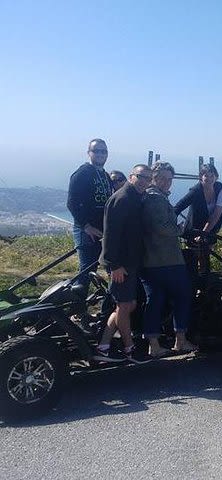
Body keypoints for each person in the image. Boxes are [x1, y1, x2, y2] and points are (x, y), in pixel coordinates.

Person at [94, 165, 153, 363]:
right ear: (131, 177)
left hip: (129, 263)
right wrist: (114, 265)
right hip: (121, 265)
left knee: (127, 305)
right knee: (125, 305)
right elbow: (110, 235)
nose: (144, 181)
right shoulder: (123, 199)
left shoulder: (135, 197)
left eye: (148, 178)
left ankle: (103, 346)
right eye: (140, 177)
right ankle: (129, 349)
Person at [140, 162, 198, 357]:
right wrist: (180, 230)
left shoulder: (150, 196)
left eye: (169, 179)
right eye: (161, 178)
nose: (166, 182)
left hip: (152, 259)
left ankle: (154, 344)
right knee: (182, 296)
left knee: (155, 300)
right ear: (153, 178)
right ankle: (179, 341)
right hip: (166, 259)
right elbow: (161, 227)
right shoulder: (155, 198)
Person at [66, 138, 113, 305]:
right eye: (96, 151)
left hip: (102, 231)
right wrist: (86, 226)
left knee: (111, 268)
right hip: (86, 231)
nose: (100, 154)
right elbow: (71, 203)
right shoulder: (82, 173)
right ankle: (78, 311)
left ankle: (108, 308)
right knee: (86, 272)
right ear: (89, 153)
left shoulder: (105, 175)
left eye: (104, 151)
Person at [174, 163, 222, 275]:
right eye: (206, 175)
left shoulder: (218, 187)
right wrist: (169, 224)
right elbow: (178, 207)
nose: (209, 179)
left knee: (205, 258)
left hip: (210, 230)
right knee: (194, 259)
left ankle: (204, 284)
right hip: (194, 231)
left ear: (216, 176)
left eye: (212, 175)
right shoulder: (195, 191)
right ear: (201, 177)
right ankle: (194, 284)